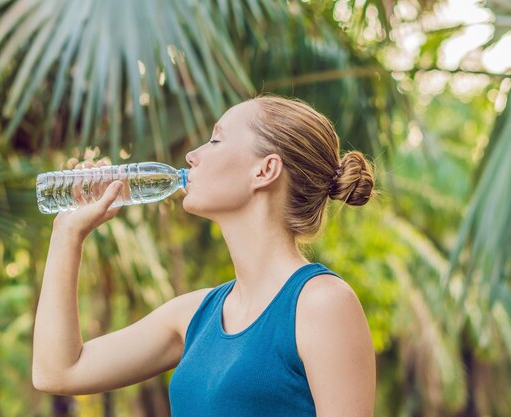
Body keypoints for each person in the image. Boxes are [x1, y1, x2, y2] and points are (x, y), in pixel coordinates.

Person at [32, 94, 377, 416]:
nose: (192, 155)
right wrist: (67, 233)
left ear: (264, 170)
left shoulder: (323, 304)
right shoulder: (193, 315)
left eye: (215, 140)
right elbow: (58, 371)